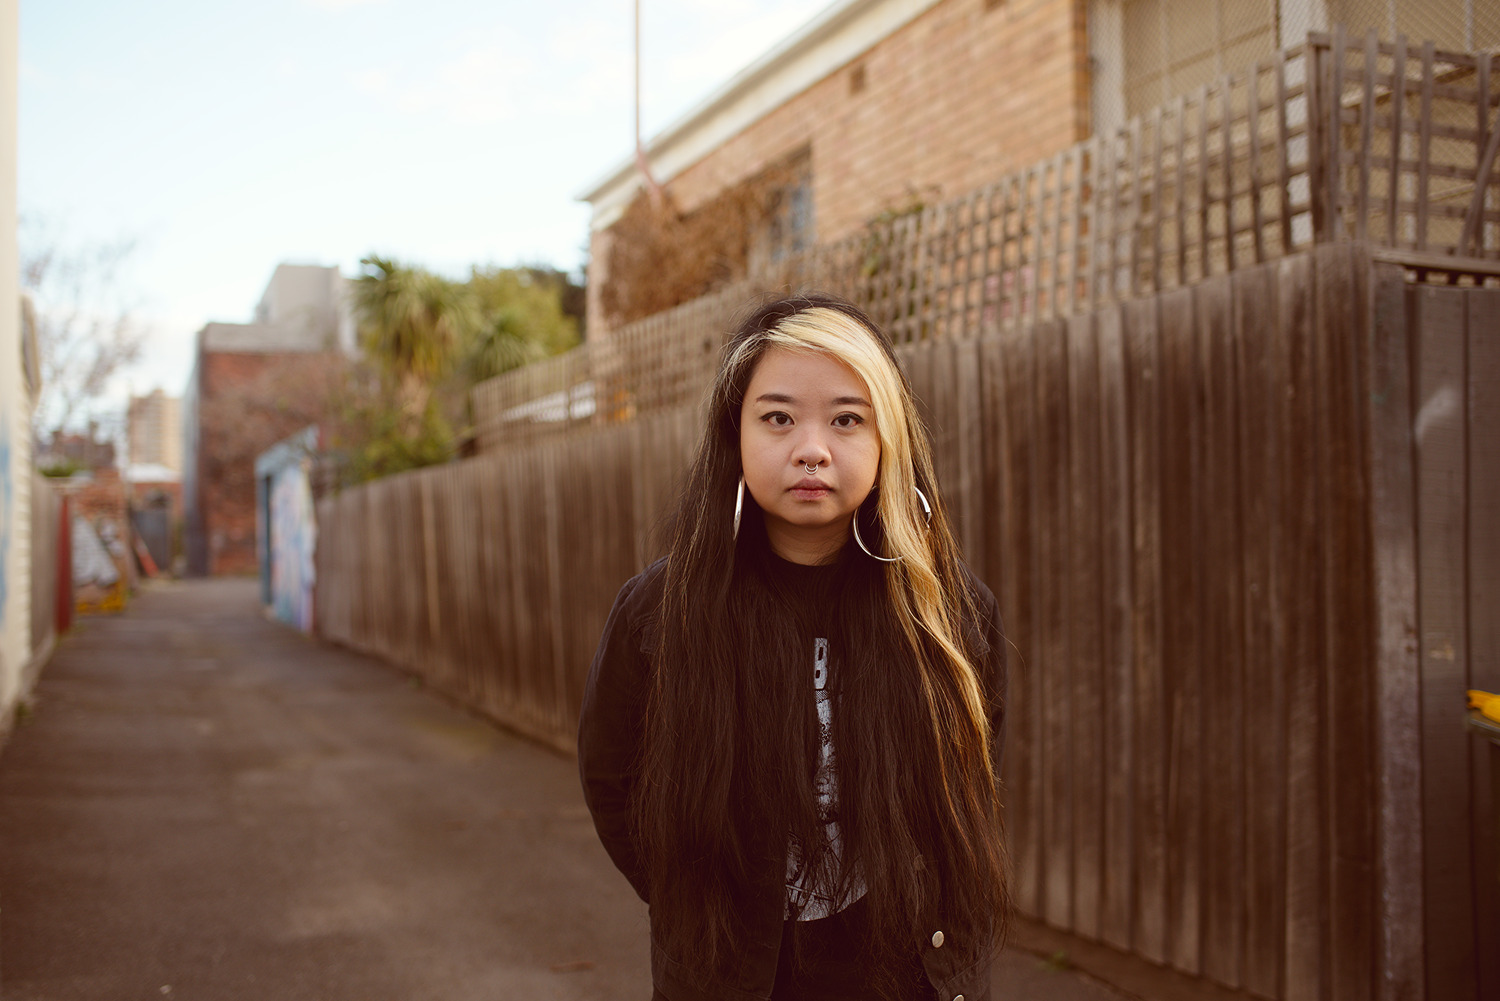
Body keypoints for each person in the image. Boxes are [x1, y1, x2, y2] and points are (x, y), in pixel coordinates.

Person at [578, 292, 1009, 1001]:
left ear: (886, 441)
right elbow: (613, 781)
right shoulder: (661, 613)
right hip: (732, 971)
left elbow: (972, 786)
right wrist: (698, 907)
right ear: (736, 436)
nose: (812, 447)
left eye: (847, 419)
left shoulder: (951, 613)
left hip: (906, 974)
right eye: (778, 417)